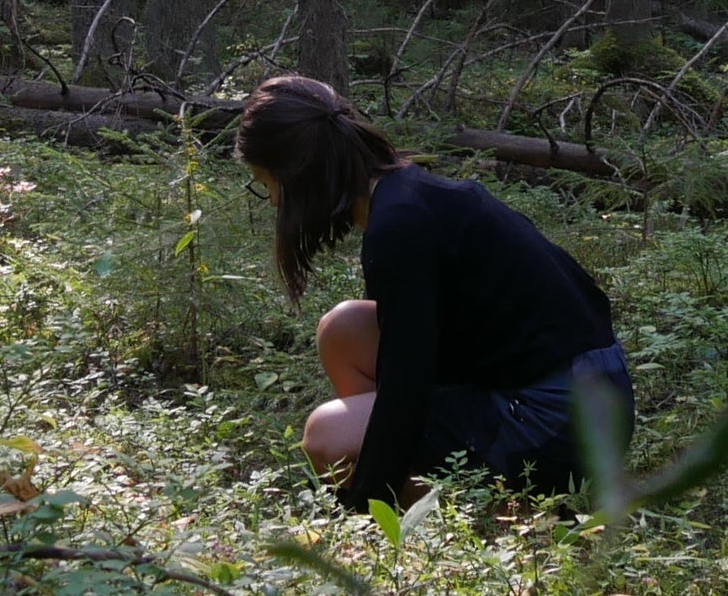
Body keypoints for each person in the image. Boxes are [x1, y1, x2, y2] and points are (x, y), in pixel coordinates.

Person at [233, 73, 632, 510]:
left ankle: (477, 505)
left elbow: (406, 391)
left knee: (326, 437)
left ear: (295, 176)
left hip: (562, 419)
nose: (272, 201)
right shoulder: (410, 194)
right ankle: (434, 473)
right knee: (343, 330)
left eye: (265, 183)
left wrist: (360, 509)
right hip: (585, 392)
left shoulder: (399, 226)